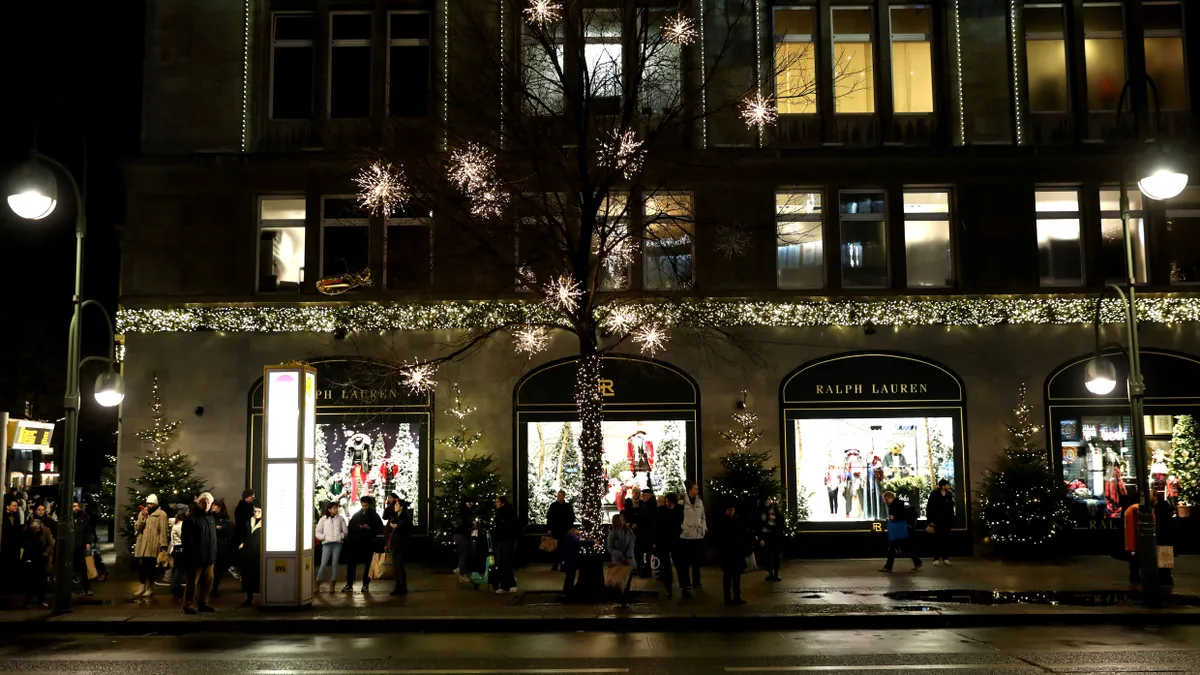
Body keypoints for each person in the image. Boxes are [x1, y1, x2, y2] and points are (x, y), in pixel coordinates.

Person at [181, 492, 218, 614]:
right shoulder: (192, 518)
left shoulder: (211, 518)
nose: (206, 505)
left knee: (208, 582)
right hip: (196, 557)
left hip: (209, 557)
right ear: (199, 503)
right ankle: (189, 604)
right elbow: (187, 539)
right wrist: (190, 554)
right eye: (204, 502)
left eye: (209, 502)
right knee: (192, 582)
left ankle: (204, 603)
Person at [133, 494, 170, 597]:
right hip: (142, 545)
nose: (149, 505)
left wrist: (163, 545)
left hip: (153, 545)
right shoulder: (143, 513)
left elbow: (163, 530)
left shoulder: (161, 514)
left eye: (151, 503)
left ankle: (149, 587)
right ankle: (142, 586)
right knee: (141, 567)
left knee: (151, 568)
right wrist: (143, 518)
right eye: (148, 503)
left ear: (155, 503)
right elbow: (137, 527)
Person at [344, 496, 382, 593]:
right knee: (352, 564)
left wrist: (369, 528)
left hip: (368, 543)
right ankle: (349, 584)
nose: (364, 507)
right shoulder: (357, 515)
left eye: (366, 505)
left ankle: (365, 584)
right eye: (363, 505)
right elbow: (351, 527)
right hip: (356, 543)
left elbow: (379, 528)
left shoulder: (374, 516)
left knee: (368, 564)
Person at [880, 491, 921, 573]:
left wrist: (893, 517)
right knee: (905, 547)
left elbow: (900, 516)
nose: (885, 502)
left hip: (897, 529)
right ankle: (917, 562)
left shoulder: (895, 505)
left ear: (889, 498)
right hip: (900, 529)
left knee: (892, 548)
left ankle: (888, 566)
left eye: (886, 500)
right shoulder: (899, 503)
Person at [678, 481, 707, 592]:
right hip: (686, 536)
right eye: (695, 489)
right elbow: (679, 518)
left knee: (697, 561)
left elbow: (703, 516)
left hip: (698, 535)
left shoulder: (700, 502)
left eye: (697, 489)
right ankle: (686, 582)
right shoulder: (682, 503)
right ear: (689, 490)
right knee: (685, 561)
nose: (697, 491)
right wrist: (683, 528)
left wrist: (703, 527)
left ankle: (697, 581)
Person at [717, 505, 749, 606]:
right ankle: (728, 598)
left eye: (733, 509)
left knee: (735, 576)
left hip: (735, 552)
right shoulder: (723, 522)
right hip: (728, 553)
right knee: (728, 576)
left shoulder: (734, 521)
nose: (732, 511)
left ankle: (736, 596)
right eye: (730, 509)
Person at [654, 493, 683, 597]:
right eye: (666, 502)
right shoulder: (661, 511)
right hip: (664, 542)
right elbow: (657, 526)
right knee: (666, 567)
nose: (667, 504)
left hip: (675, 541)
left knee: (679, 565)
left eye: (669, 502)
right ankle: (668, 589)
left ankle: (683, 588)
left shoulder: (679, 510)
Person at [315, 502, 347, 593]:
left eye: (336, 508)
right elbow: (318, 532)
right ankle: (317, 584)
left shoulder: (340, 519)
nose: (336, 510)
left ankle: (332, 584)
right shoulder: (323, 519)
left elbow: (345, 532)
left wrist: (341, 536)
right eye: (334, 508)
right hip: (327, 544)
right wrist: (324, 537)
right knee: (323, 564)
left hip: (337, 543)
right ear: (329, 509)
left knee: (335, 563)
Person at [22, 518, 54, 607]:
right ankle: (29, 599)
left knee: (41, 579)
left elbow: (50, 543)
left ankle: (41, 598)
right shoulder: (26, 531)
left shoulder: (46, 531)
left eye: (37, 528)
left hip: (41, 557)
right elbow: (24, 542)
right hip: (30, 556)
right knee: (29, 578)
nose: (36, 530)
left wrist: (46, 553)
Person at [606, 513, 636, 608]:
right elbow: (610, 548)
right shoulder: (612, 534)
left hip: (628, 560)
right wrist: (621, 557)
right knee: (619, 581)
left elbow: (631, 543)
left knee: (628, 580)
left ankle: (626, 599)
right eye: (620, 520)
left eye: (622, 519)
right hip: (618, 561)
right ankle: (621, 599)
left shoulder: (628, 531)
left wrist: (629, 556)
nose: (622, 522)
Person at [492, 496, 520, 594]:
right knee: (500, 564)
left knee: (505, 563)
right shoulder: (500, 513)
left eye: (497, 502)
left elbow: (511, 527)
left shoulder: (508, 513)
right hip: (501, 541)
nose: (496, 504)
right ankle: (505, 586)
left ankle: (510, 584)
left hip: (508, 540)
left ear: (502, 503)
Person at [925, 479, 955, 566]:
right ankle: (936, 558)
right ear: (943, 486)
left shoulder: (949, 495)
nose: (948, 487)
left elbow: (951, 508)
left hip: (946, 521)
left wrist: (951, 519)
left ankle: (945, 557)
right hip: (936, 521)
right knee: (936, 539)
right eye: (947, 485)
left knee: (946, 539)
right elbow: (929, 508)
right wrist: (930, 521)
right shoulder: (934, 495)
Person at [545, 491, 575, 572]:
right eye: (557, 496)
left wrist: (570, 528)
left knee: (563, 547)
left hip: (564, 531)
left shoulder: (568, 506)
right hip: (555, 530)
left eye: (560, 496)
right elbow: (549, 518)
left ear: (563, 496)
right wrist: (549, 529)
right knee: (555, 547)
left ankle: (562, 564)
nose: (558, 497)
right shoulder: (553, 506)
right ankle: (555, 563)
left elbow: (571, 518)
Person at [388, 499, 413, 596]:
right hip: (396, 544)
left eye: (397, 505)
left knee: (399, 566)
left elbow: (405, 529)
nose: (395, 506)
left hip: (401, 545)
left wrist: (397, 526)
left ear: (401, 507)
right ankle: (401, 586)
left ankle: (400, 587)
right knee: (398, 566)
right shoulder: (396, 516)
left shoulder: (405, 518)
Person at [72, 501, 96, 596]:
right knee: (72, 568)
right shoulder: (69, 517)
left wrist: (88, 542)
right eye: (74, 506)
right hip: (71, 546)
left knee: (84, 567)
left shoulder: (84, 517)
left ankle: (86, 588)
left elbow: (88, 530)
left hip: (80, 545)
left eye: (78, 506)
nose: (76, 508)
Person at [757, 495, 783, 582]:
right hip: (766, 535)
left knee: (776, 555)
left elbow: (781, 519)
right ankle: (770, 574)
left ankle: (776, 574)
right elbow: (759, 525)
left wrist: (775, 518)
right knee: (768, 556)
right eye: (767, 500)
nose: (768, 501)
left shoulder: (774, 509)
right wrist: (760, 538)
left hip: (774, 535)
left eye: (769, 500)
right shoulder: (761, 511)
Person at [240, 506, 262, 607]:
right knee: (248, 575)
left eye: (258, 511)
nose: (256, 513)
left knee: (258, 574)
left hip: (259, 551)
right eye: (255, 511)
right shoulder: (248, 521)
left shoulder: (265, 522)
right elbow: (243, 534)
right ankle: (249, 597)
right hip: (248, 551)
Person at [633, 488, 657, 578]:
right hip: (642, 532)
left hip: (648, 533)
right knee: (643, 552)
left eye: (645, 495)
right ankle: (643, 570)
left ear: (649, 496)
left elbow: (648, 518)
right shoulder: (643, 504)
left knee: (647, 552)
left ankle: (647, 571)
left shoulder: (652, 505)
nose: (643, 496)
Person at [210, 499, 232, 597]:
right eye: (213, 505)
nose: (213, 507)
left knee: (218, 569)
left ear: (220, 507)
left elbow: (223, 529)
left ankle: (214, 589)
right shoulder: (210, 517)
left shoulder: (224, 518)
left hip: (220, 547)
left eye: (215, 505)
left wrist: (217, 528)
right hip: (212, 546)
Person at [1, 498, 22, 593]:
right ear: (7, 506)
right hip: (6, 546)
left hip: (15, 546)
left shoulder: (16, 516)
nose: (16, 507)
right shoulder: (3, 517)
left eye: (16, 506)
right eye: (14, 505)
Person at [166, 506, 187, 597]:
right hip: (180, 548)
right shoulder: (180, 525)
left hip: (176, 548)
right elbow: (184, 537)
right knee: (180, 570)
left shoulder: (175, 524)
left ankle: (176, 587)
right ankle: (176, 588)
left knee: (178, 569)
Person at [453, 498, 476, 583]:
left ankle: (461, 570)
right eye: (468, 502)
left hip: (462, 535)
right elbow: (463, 523)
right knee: (463, 554)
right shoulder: (464, 513)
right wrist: (472, 524)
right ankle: (462, 575)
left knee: (463, 554)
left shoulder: (463, 512)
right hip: (462, 535)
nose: (470, 504)